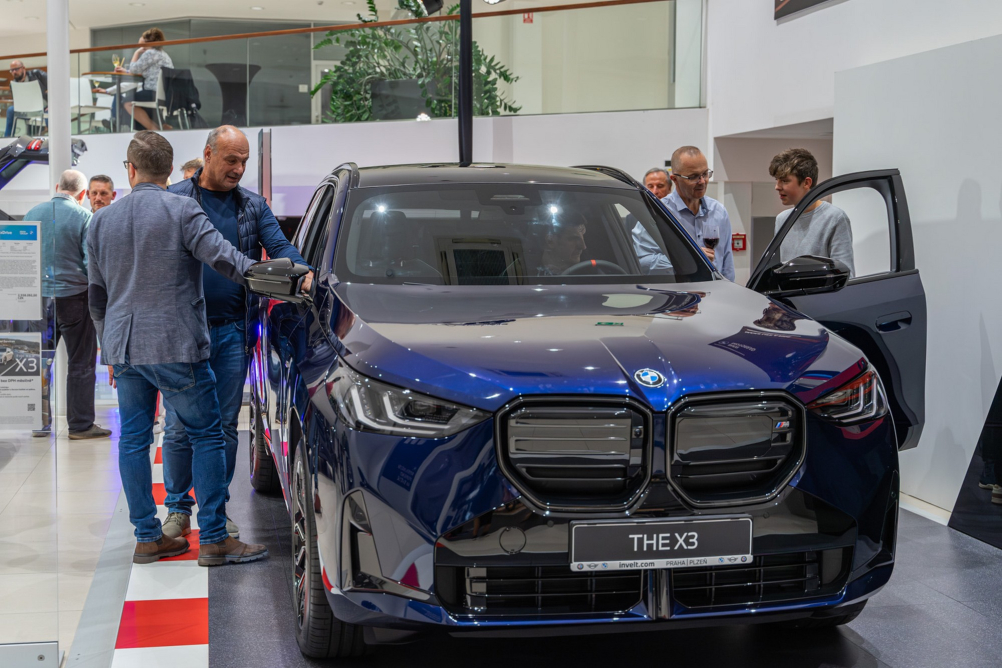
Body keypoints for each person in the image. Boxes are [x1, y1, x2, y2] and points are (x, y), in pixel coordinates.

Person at [87, 130, 269, 565]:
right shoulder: (182, 209)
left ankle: (148, 538)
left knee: (134, 440)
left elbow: (96, 295)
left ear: (130, 170)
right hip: (175, 344)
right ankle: (214, 538)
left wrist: (107, 346)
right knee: (208, 433)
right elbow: (227, 260)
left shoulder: (102, 220)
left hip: (123, 345)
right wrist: (278, 276)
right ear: (170, 170)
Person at [162, 125, 312, 541]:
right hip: (181, 333)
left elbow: (280, 247)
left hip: (232, 333)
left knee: (225, 426)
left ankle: (215, 510)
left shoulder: (252, 206)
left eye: (244, 161)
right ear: (208, 154)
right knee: (178, 426)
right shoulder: (175, 199)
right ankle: (177, 509)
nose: (239, 168)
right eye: (231, 159)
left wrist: (303, 272)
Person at [23, 170, 111, 440]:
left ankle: (39, 423)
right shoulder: (84, 217)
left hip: (37, 301)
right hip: (74, 298)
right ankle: (80, 426)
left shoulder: (32, 214)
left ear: (57, 186)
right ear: (82, 194)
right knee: (81, 363)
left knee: (39, 362)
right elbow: (90, 263)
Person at [770, 148, 855, 277]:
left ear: (806, 182)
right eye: (777, 180)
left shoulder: (835, 218)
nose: (777, 186)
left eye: (785, 181)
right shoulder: (782, 219)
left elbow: (846, 276)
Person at [661, 146, 735, 281]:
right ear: (674, 179)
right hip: (678, 292)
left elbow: (727, 263)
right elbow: (645, 260)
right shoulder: (659, 213)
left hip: (715, 291)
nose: (702, 181)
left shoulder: (718, 212)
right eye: (693, 177)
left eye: (705, 174)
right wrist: (688, 259)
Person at [94, 28, 173, 131]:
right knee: (133, 99)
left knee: (127, 102)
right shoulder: (163, 54)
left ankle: (154, 129)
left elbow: (134, 69)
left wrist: (136, 52)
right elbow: (140, 72)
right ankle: (161, 127)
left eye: (142, 45)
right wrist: (127, 71)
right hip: (165, 94)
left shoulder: (151, 53)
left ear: (148, 42)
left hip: (153, 92)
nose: (141, 48)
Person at [4, 60, 48, 138]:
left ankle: (53, 138)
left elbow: (54, 84)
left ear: (23, 68)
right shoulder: (13, 84)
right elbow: (17, 101)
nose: (14, 72)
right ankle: (7, 138)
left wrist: (51, 104)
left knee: (50, 113)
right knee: (10, 110)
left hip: (44, 108)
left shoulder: (37, 74)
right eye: (12, 70)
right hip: (26, 109)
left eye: (16, 69)